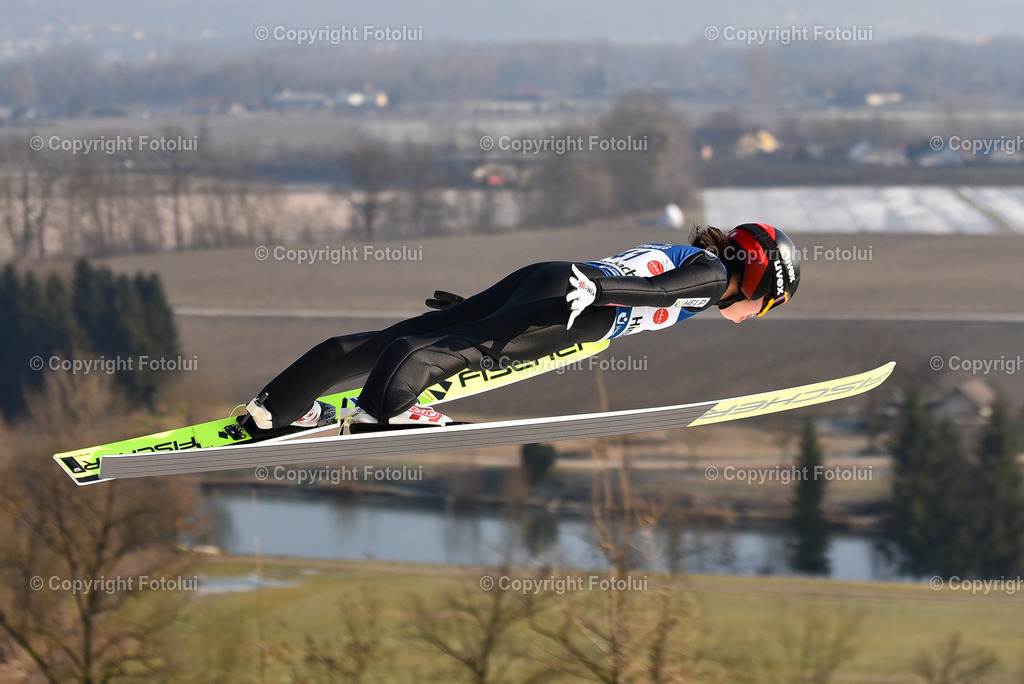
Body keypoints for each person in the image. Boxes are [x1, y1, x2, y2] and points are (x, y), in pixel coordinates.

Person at [243, 222, 800, 433]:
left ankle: (277, 406)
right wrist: (597, 294)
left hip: (551, 276)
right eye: (769, 305)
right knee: (468, 351)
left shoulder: (696, 258)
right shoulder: (710, 277)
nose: (757, 316)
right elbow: (654, 293)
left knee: (392, 337)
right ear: (757, 281)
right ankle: (383, 410)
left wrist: (480, 303)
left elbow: (646, 280)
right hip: (584, 304)